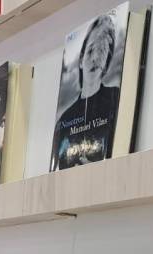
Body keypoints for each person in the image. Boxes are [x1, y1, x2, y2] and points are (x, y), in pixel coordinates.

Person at [51, 12, 121, 170]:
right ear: (81, 59)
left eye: (101, 53)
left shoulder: (116, 98)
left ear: (107, 63)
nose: (94, 61)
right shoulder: (64, 119)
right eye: (90, 52)